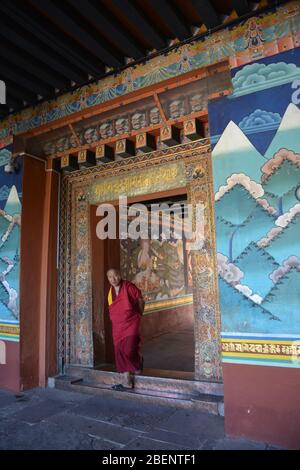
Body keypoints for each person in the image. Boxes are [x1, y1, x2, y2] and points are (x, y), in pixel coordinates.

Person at [107, 268, 145, 391]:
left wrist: (139, 314)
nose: (113, 279)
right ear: (108, 279)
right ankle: (126, 380)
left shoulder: (129, 286)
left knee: (129, 349)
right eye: (110, 277)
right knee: (119, 350)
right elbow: (113, 308)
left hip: (131, 322)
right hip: (118, 326)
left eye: (115, 276)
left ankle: (137, 361)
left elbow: (140, 299)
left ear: (120, 275)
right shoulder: (110, 292)